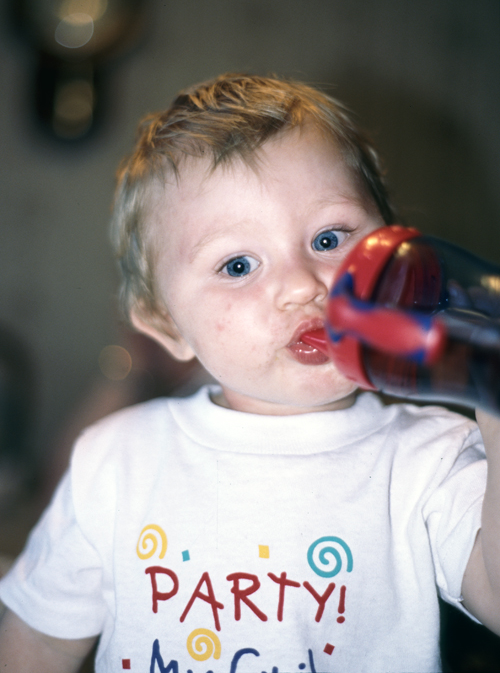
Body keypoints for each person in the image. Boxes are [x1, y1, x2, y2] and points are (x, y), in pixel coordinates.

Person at [0, 74, 498, 673]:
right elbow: (38, 644)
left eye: (329, 237)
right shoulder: (116, 462)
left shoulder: (430, 461)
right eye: (237, 264)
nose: (301, 287)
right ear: (165, 325)